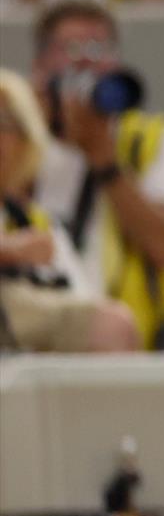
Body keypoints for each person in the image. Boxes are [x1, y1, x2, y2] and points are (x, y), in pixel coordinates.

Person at [29, 0, 164, 349]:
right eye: (72, 49)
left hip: (137, 349)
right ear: (41, 66)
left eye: (99, 48)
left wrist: (103, 157)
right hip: (41, 347)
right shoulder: (20, 143)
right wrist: (28, 125)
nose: (87, 61)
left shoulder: (154, 141)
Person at [0, 68, 139, 354]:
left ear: (26, 142)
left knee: (114, 327)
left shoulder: (37, 224)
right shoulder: (25, 240)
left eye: (4, 123)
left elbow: (87, 308)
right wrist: (10, 251)